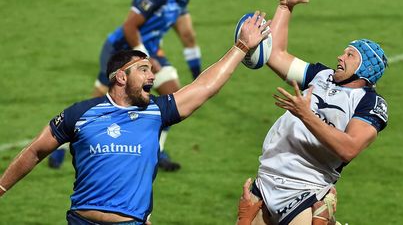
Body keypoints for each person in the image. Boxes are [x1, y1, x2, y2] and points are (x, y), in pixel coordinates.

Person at [0, 11, 271, 224]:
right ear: (121, 77)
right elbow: (36, 151)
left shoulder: (156, 112)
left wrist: (241, 47)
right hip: (81, 221)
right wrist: (1, 188)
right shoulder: (80, 114)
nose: (152, 76)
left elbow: (204, 87)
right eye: (143, 69)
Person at [239, 0, 389, 224]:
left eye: (350, 55)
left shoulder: (370, 103)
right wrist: (284, 7)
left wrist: (305, 114)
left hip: (304, 188)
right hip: (267, 177)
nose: (340, 56)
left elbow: (349, 148)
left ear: (365, 69)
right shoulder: (321, 75)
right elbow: (274, 55)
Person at [49, 0, 203, 171]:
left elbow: (186, 35)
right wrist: (145, 59)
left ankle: (156, 151)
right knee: (97, 106)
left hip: (150, 53)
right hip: (119, 52)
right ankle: (62, 142)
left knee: (173, 98)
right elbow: (129, 26)